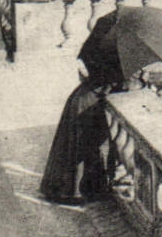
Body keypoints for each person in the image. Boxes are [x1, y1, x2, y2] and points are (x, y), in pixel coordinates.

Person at [39, 56, 124, 205]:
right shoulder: (113, 58)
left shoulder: (101, 50)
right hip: (87, 104)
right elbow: (108, 83)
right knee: (82, 146)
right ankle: (76, 191)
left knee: (77, 145)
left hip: (82, 97)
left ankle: (73, 189)